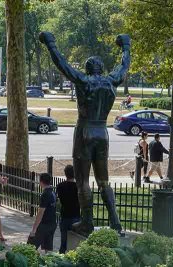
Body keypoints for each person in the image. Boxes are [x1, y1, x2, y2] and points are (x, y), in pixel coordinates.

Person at [39, 31, 130, 236]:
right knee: (103, 180)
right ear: (101, 68)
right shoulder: (111, 81)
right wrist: (126, 47)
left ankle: (87, 222)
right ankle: (115, 222)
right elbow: (124, 66)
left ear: (88, 69)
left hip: (85, 130)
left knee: (83, 181)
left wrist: (51, 44)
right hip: (102, 132)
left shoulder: (84, 81)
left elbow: (63, 65)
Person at [28, 173, 57, 253]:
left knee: (30, 246)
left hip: (44, 224)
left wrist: (34, 229)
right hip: (52, 223)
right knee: (48, 248)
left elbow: (40, 213)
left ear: (41, 182)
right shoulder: (53, 192)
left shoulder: (45, 194)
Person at [56, 165, 80, 253]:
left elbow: (58, 200)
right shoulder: (78, 186)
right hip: (76, 216)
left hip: (65, 215)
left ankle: (61, 255)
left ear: (65, 174)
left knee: (63, 241)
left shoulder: (60, 186)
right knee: (75, 241)